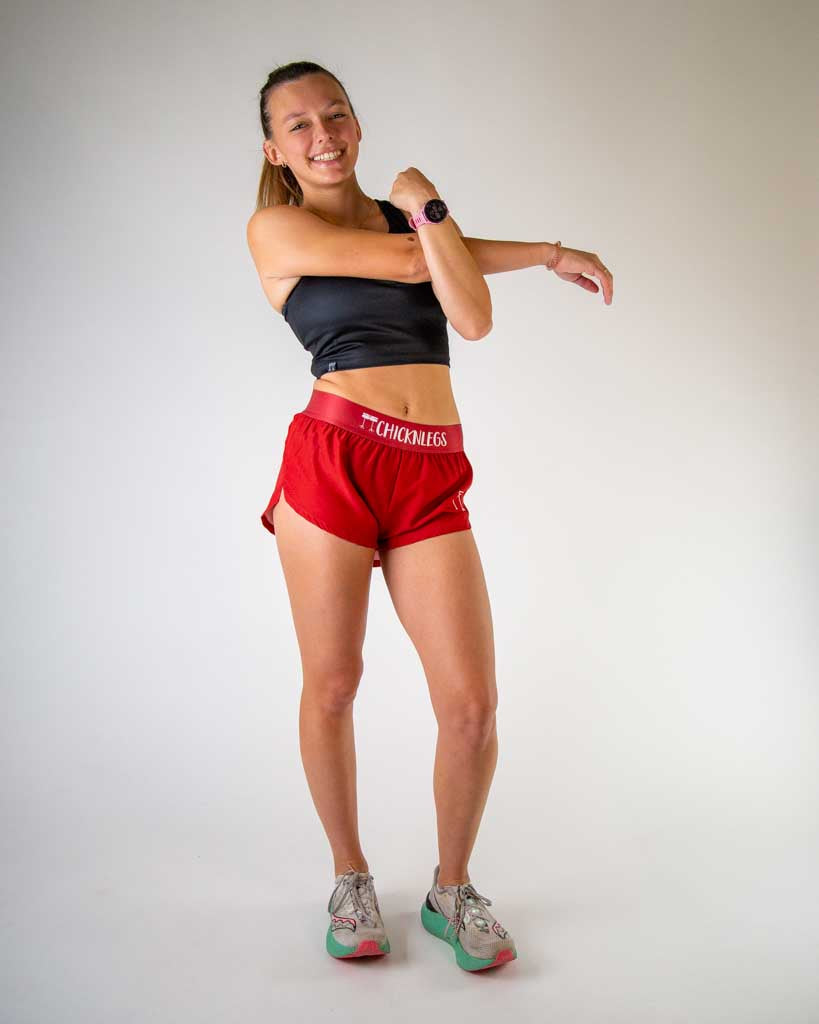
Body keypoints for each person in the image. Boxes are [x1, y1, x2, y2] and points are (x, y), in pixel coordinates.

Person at [247, 61, 613, 972]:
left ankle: (452, 890)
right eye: (298, 125)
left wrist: (546, 252)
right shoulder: (275, 226)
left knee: (472, 707)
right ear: (273, 149)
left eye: (335, 113)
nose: (322, 133)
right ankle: (350, 878)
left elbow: (456, 277)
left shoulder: (407, 221)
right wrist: (431, 207)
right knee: (333, 684)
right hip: (334, 460)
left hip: (430, 471)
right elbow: (431, 268)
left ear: (358, 124)